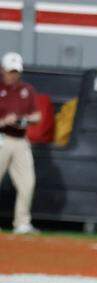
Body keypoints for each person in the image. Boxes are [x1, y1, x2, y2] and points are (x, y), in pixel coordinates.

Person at [0, 52, 41, 235]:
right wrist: (3, 121)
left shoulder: (27, 90)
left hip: (20, 140)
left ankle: (22, 223)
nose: (13, 75)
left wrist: (20, 120)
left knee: (27, 182)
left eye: (16, 72)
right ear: (2, 70)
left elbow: (37, 116)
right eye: (10, 71)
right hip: (1, 138)